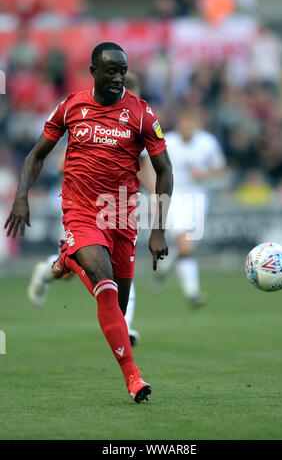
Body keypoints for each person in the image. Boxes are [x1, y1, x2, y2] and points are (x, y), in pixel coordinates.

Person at [5, 42, 173, 403]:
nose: (117, 78)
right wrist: (21, 194)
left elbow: (164, 170)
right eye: (110, 71)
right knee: (104, 282)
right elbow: (37, 154)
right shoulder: (71, 106)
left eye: (122, 71)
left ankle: (66, 259)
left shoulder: (141, 113)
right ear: (93, 71)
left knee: (117, 306)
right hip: (80, 209)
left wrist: (158, 230)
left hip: (121, 215)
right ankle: (133, 378)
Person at [27, 72, 145, 349]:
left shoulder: (135, 123)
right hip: (80, 204)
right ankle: (44, 273)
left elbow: (145, 167)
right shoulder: (91, 117)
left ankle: (124, 326)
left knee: (118, 270)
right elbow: (59, 164)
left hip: (116, 209)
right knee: (70, 270)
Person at [154, 107, 226, 306]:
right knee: (185, 244)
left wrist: (204, 175)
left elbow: (220, 168)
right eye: (184, 125)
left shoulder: (208, 142)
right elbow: (149, 165)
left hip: (198, 198)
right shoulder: (167, 141)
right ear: (179, 126)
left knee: (186, 246)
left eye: (191, 125)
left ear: (196, 125)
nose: (188, 129)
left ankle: (163, 267)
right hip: (173, 197)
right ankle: (193, 293)